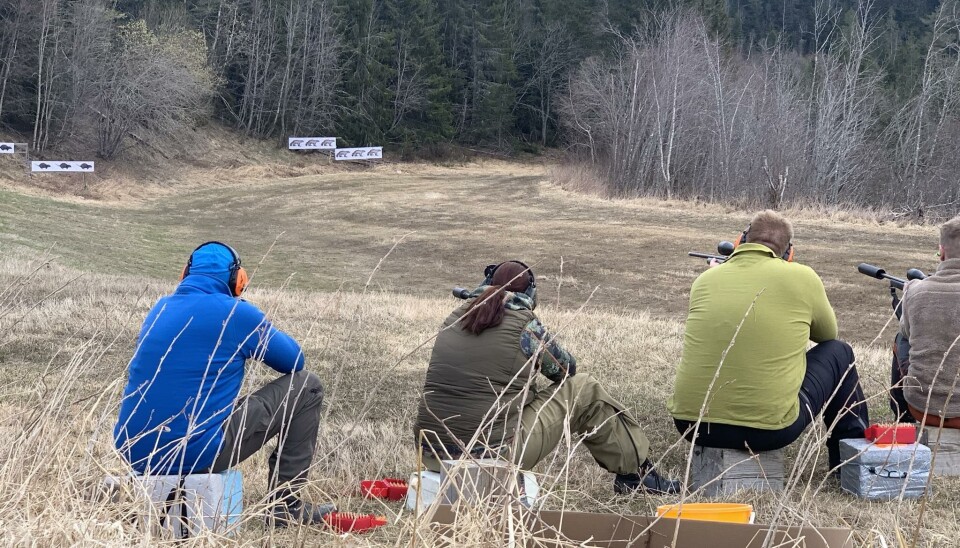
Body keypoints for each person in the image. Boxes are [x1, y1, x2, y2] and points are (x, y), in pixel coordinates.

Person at [113, 241, 334, 525]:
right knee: (308, 386)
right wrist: (251, 316)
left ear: (185, 274)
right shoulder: (236, 313)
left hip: (136, 452)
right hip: (196, 452)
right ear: (238, 280)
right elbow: (294, 361)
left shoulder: (160, 308)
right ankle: (285, 507)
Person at [414, 260, 680, 495]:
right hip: (492, 455)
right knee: (584, 388)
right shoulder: (525, 325)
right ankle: (638, 475)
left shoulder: (454, 318)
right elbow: (565, 371)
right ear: (530, 293)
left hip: (430, 452)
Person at [668, 210, 869, 473]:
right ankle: (848, 463)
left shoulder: (705, 280)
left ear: (740, 241)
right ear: (788, 254)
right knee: (839, 352)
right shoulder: (803, 276)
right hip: (770, 432)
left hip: (691, 426)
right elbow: (827, 336)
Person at [890, 215, 960, 427]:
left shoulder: (915, 291)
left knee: (900, 339)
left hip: (922, 408)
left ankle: (902, 417)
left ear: (941, 252)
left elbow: (909, 333)